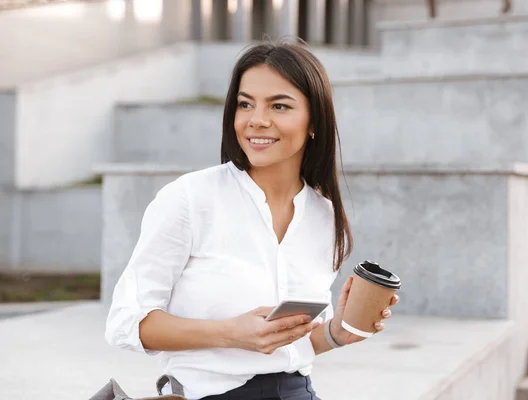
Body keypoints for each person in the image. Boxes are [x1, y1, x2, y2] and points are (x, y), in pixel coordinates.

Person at [104, 40, 399, 400]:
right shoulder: (190, 199)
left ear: (314, 122)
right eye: (245, 104)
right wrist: (231, 333)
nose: (257, 120)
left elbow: (291, 349)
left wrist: (337, 332)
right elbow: (126, 324)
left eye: (279, 105)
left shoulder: (324, 214)